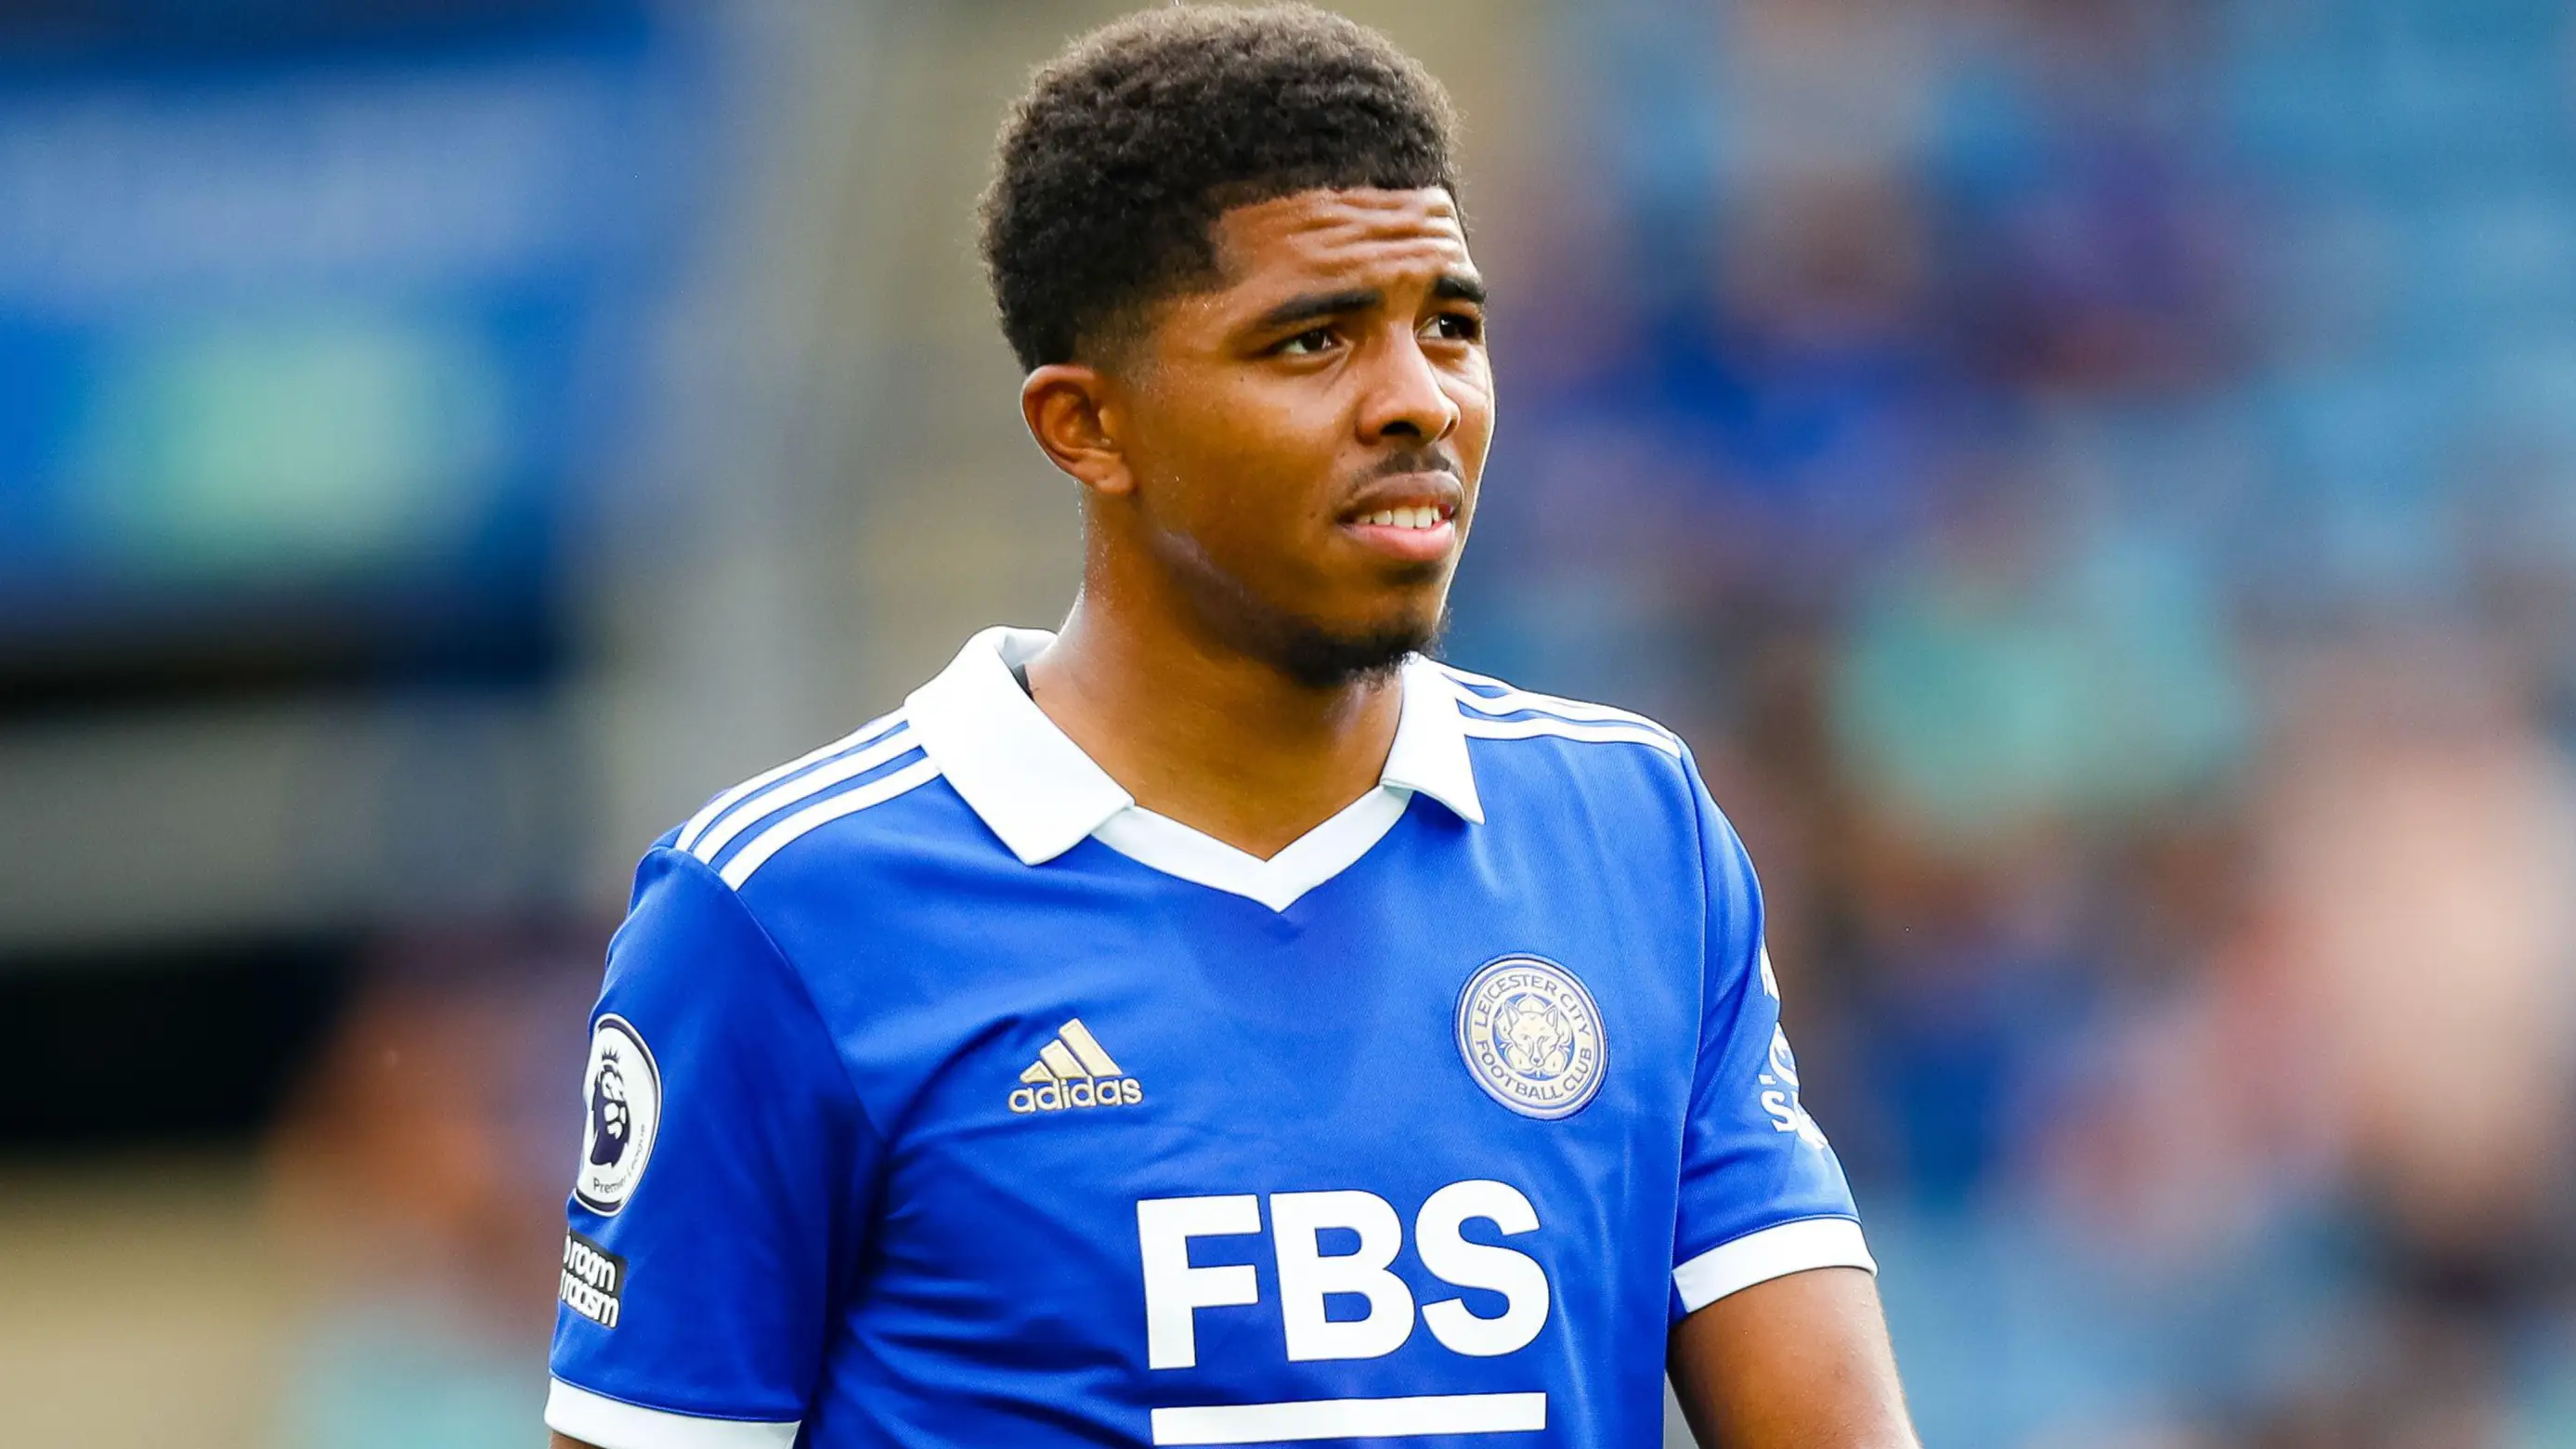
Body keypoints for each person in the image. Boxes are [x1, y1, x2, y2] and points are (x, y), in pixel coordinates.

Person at [545, 7, 1916, 1447]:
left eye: (1448, 327)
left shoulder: (1633, 833)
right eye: (1312, 341)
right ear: (1087, 427)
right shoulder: (782, 914)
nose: (1418, 403)